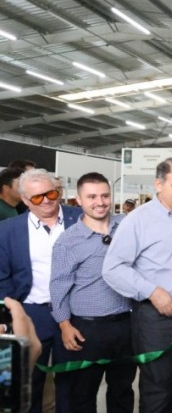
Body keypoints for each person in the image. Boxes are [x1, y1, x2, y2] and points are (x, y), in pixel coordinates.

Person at [103, 158, 172, 413]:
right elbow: (113, 268)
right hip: (156, 319)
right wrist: (152, 292)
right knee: (158, 389)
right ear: (158, 185)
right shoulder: (139, 219)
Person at [49, 172, 136, 413]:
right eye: (92, 197)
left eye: (105, 196)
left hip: (126, 325)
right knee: (82, 394)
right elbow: (58, 286)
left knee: (122, 390)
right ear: (78, 200)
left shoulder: (127, 227)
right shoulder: (68, 242)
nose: (100, 202)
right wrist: (65, 326)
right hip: (86, 329)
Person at [0, 169, 81, 413]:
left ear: (59, 192)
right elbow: (2, 277)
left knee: (72, 381)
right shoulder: (8, 230)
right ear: (25, 200)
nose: (46, 200)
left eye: (51, 193)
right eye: (37, 197)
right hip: (31, 313)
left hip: (75, 313)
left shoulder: (80, 219)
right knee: (30, 380)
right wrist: (10, 314)